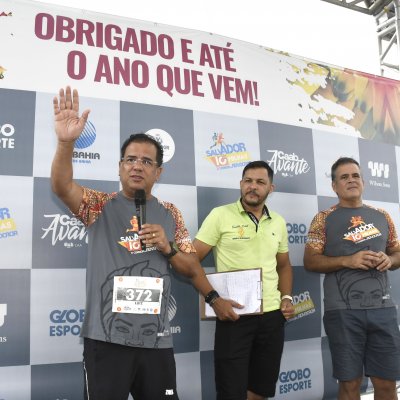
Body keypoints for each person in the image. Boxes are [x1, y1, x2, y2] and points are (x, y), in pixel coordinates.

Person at [51, 86, 237, 400]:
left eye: (147, 162)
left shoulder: (171, 214)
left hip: (156, 341)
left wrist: (168, 247)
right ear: (120, 167)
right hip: (107, 339)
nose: (138, 166)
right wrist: (66, 142)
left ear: (158, 172)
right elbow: (61, 185)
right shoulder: (98, 205)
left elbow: (191, 268)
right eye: (131, 159)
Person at [193, 160, 294, 400]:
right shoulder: (220, 215)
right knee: (231, 392)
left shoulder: (278, 221)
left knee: (260, 391)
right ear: (240, 184)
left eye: (260, 182)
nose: (253, 187)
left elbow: (284, 265)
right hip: (235, 316)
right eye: (248, 181)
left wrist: (287, 297)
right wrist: (214, 298)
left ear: (271, 188)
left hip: (272, 318)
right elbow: (190, 260)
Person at [303, 157, 400, 400]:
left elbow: (397, 253)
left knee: (387, 384)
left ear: (363, 182)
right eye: (344, 177)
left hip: (383, 309)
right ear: (334, 186)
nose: (351, 180)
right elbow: (310, 261)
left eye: (355, 175)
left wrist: (391, 261)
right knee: (350, 384)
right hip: (343, 312)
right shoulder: (323, 218)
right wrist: (348, 260)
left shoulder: (382, 216)